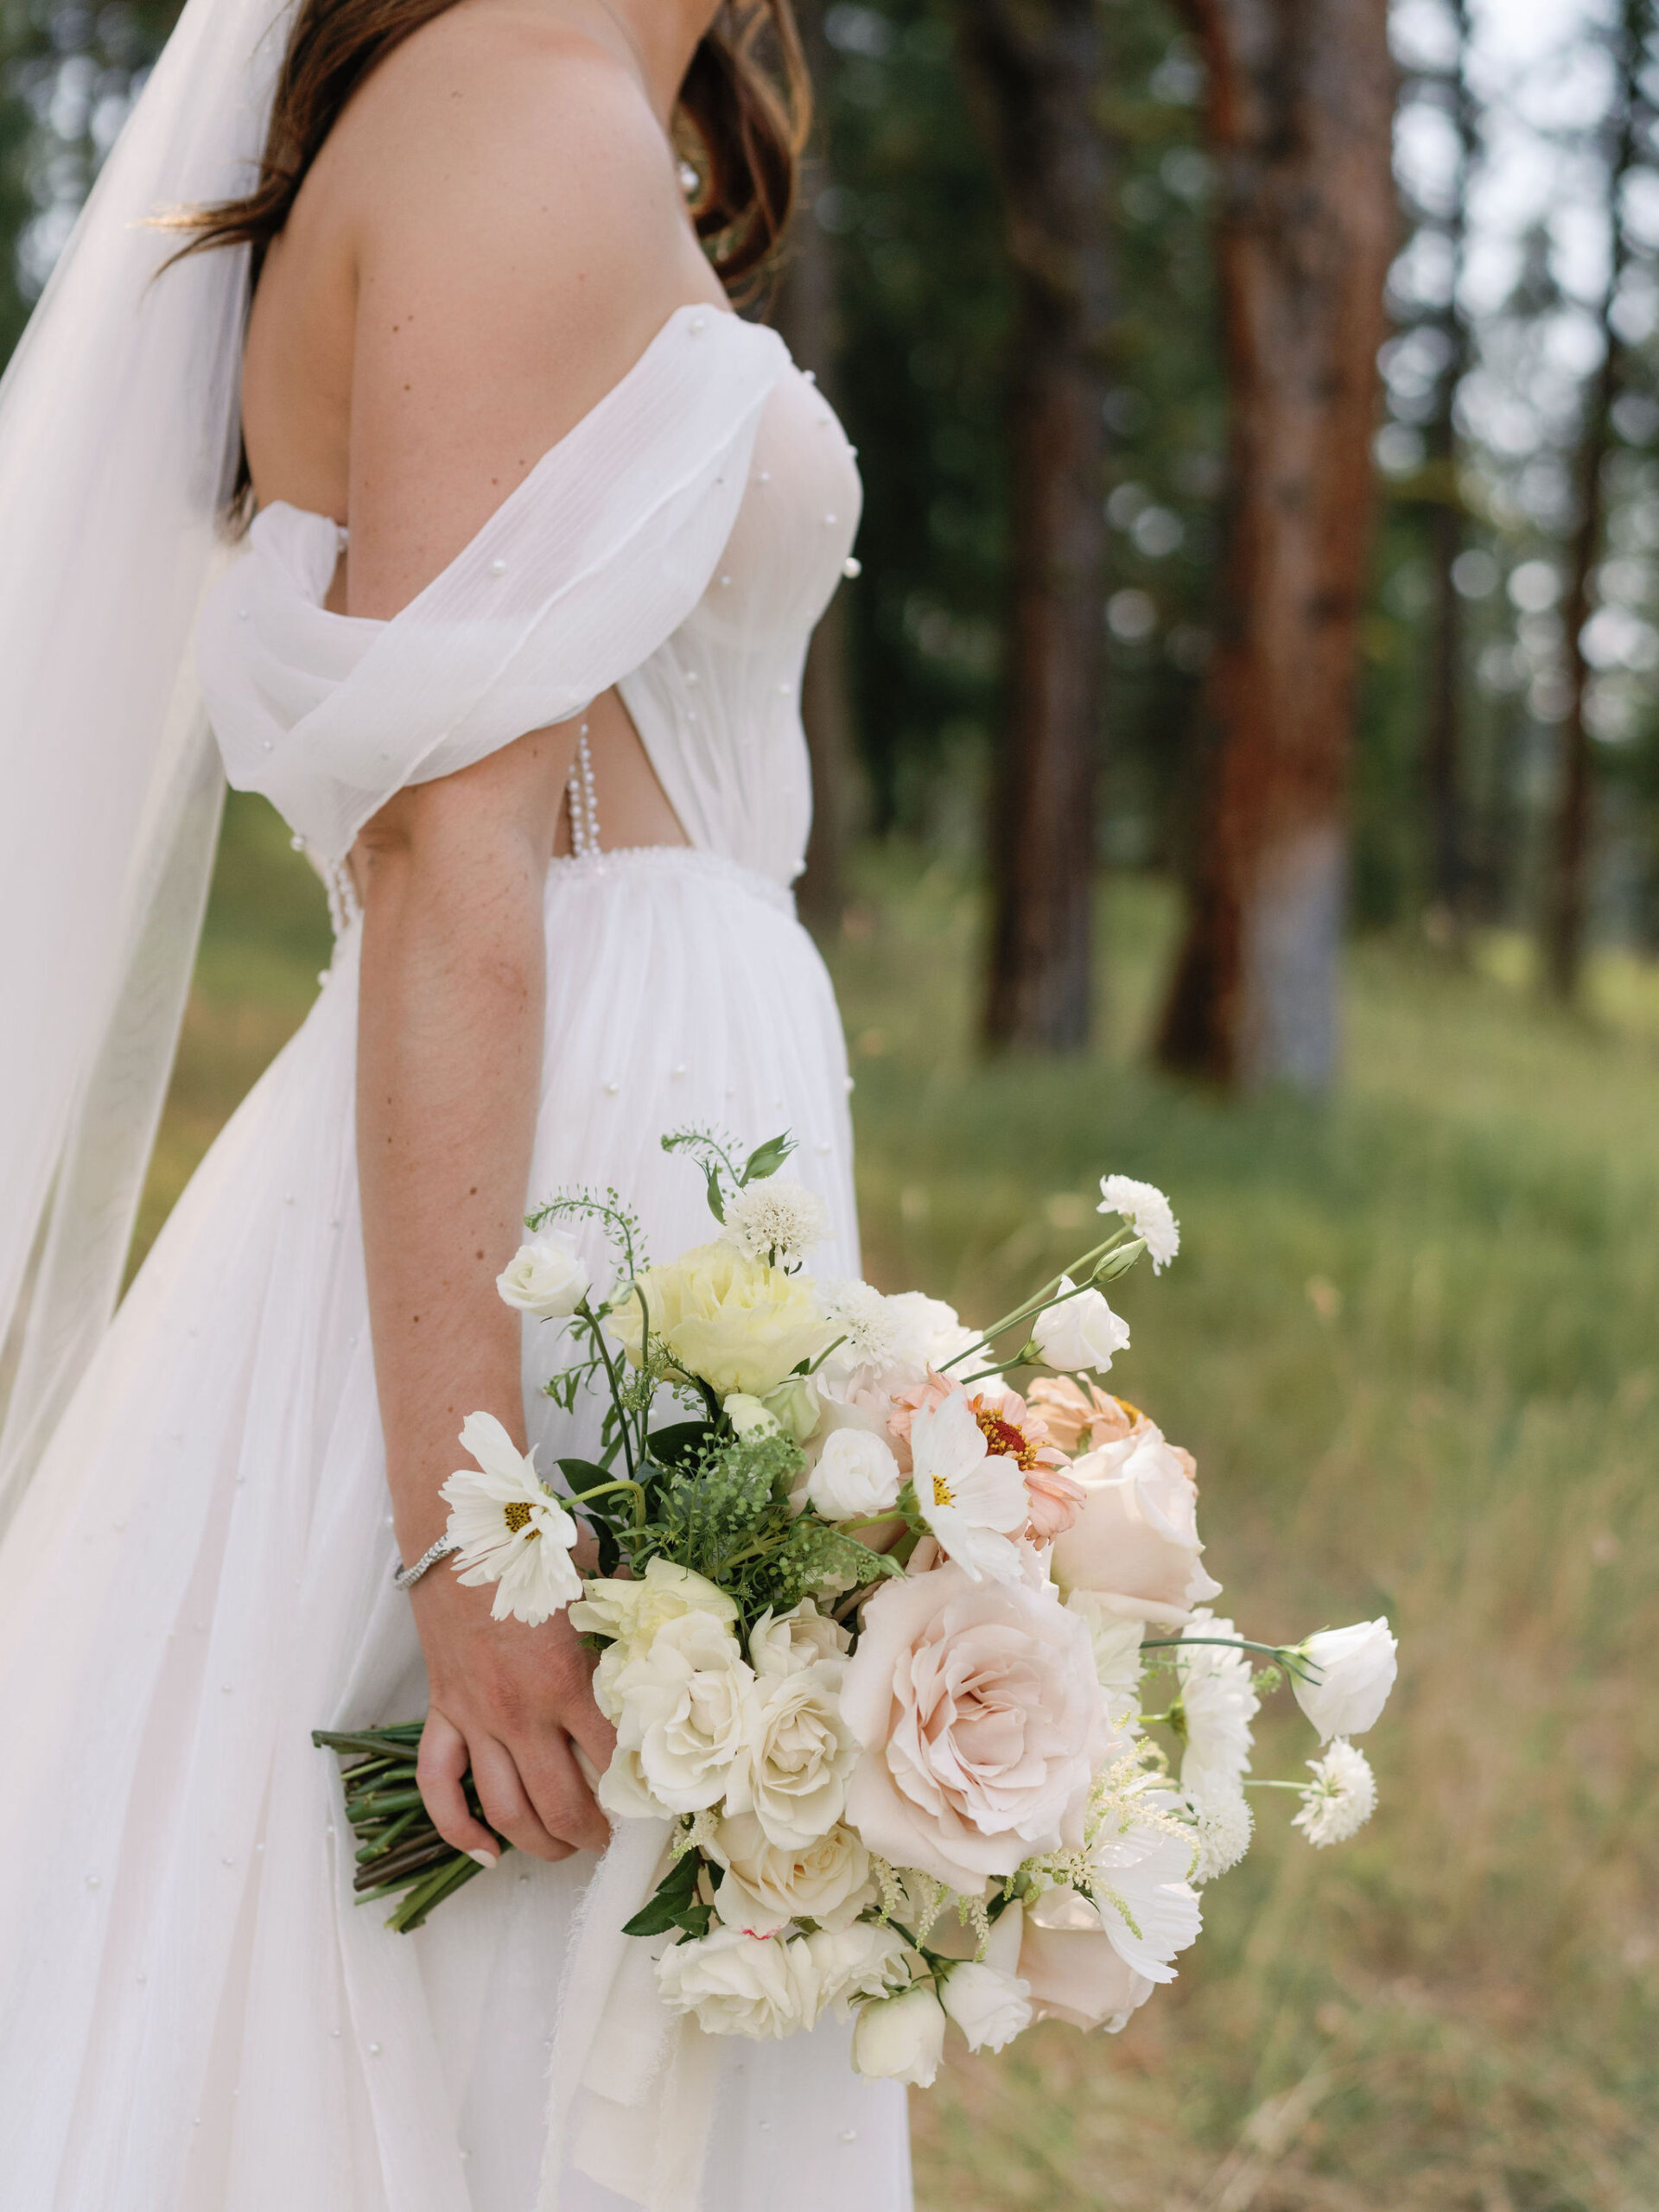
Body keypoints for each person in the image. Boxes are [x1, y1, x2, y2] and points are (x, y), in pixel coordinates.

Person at [0, 0, 912, 2203]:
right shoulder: (517, 98)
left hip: (644, 1194)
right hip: (546, 1216)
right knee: (482, 1960)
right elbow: (448, 848)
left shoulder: (602, 111)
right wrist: (473, 1530)